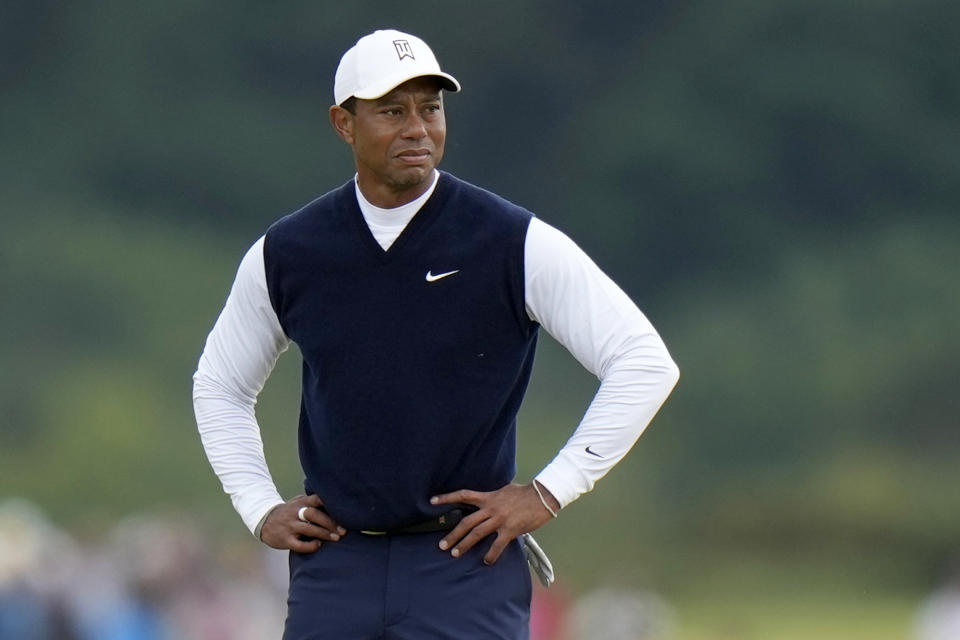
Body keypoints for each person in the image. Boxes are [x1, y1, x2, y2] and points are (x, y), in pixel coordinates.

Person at [192, 29, 679, 640]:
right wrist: (258, 505)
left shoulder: (511, 240)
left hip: (465, 563)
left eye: (431, 107)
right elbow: (220, 385)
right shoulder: (288, 252)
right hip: (336, 564)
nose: (418, 128)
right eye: (393, 111)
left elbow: (643, 361)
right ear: (344, 124)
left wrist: (548, 493)